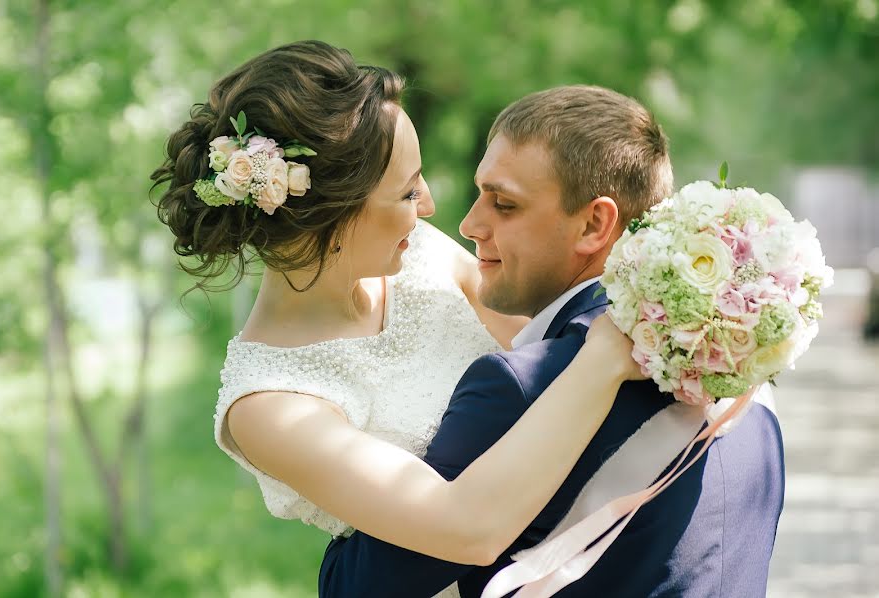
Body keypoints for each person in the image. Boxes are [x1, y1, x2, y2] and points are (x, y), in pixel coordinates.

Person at [151, 41, 642, 598]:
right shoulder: (270, 405)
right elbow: (468, 529)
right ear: (330, 216)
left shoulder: (423, 257)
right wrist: (606, 356)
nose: (431, 206)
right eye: (408, 192)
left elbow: (548, 353)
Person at [318, 86, 785, 597]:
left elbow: (354, 588)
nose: (470, 223)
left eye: (504, 204)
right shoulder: (742, 372)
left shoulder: (521, 386)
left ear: (594, 223)